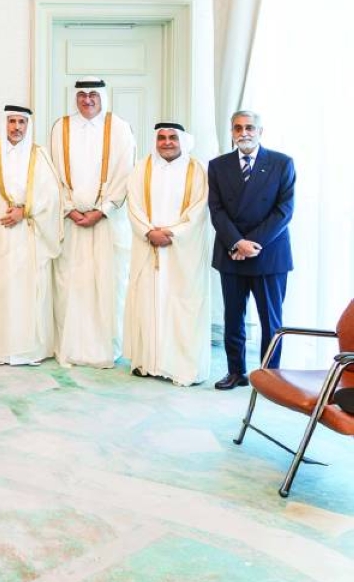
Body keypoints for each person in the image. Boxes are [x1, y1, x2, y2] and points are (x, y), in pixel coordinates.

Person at [48, 77, 136, 368]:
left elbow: (126, 174)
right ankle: (70, 347)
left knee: (106, 283)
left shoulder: (120, 129)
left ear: (102, 97)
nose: (87, 100)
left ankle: (104, 350)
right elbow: (54, 173)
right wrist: (70, 208)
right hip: (71, 222)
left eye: (93, 95)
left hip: (107, 222)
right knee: (71, 285)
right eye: (82, 95)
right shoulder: (61, 127)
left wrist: (102, 210)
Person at [208, 110, 295, 390]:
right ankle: (236, 372)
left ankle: (270, 377)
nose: (243, 133)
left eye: (249, 128)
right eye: (237, 128)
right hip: (231, 251)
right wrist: (237, 242)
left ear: (260, 131)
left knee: (271, 320)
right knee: (233, 317)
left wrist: (251, 244)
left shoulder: (282, 163)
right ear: (231, 133)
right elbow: (217, 210)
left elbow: (284, 211)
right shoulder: (218, 165)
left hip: (268, 254)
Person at [0, 105, 62, 365]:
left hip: (27, 234)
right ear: (4, 123)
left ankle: (28, 350)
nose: (17, 128)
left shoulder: (39, 155)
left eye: (22, 122)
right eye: (12, 122)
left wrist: (24, 211)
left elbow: (52, 196)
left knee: (26, 291)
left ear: (28, 125)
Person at [123, 123, 211, 386]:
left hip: (183, 251)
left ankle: (181, 366)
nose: (167, 142)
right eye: (161, 138)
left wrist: (172, 233)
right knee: (147, 301)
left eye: (173, 137)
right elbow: (134, 206)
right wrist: (149, 232)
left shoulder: (198, 171)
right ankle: (147, 362)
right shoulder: (141, 168)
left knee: (182, 305)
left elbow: (198, 210)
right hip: (148, 247)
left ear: (182, 140)